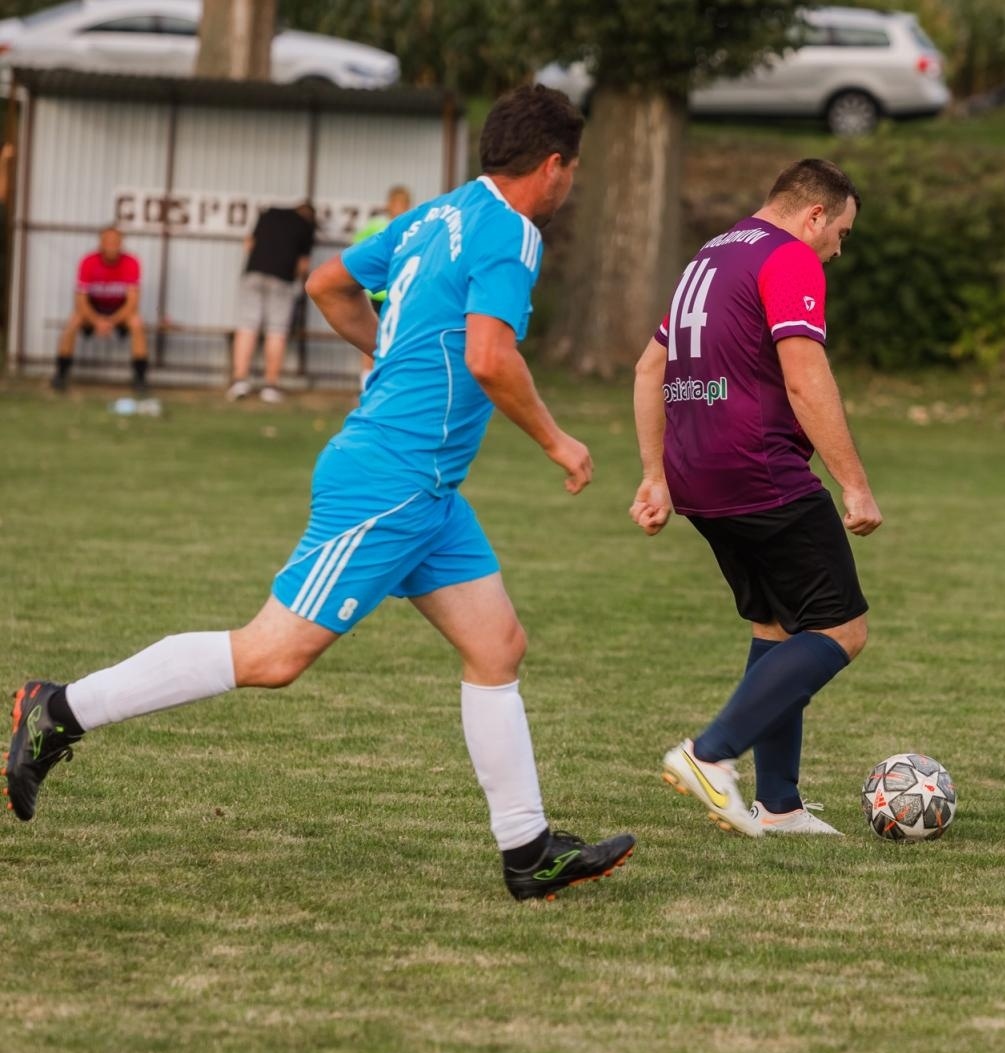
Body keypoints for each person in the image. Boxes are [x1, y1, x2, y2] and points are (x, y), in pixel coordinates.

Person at [7, 86, 634, 902]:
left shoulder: (437, 214)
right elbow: (489, 355)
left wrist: (393, 352)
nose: (569, 184)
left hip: (428, 492)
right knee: (271, 655)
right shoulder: (513, 232)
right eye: (572, 170)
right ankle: (59, 709)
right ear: (552, 166)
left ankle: (528, 851)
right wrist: (558, 440)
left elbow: (328, 283)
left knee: (497, 646)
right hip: (391, 479)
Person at [631, 159, 882, 838]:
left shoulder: (710, 255)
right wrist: (854, 483)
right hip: (759, 470)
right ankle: (709, 753)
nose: (838, 249)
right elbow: (805, 377)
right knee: (841, 629)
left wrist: (655, 474)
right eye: (841, 233)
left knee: (777, 626)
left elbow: (650, 367)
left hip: (698, 475)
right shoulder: (789, 256)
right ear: (815, 215)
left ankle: (781, 805)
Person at [225, 202, 317, 403]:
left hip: (254, 273)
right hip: (282, 278)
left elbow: (249, 244)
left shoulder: (269, 215)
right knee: (277, 330)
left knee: (247, 326)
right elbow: (303, 265)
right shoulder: (306, 225)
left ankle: (239, 381)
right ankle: (270, 386)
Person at [52, 226, 149, 392]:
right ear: (100, 243)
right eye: (108, 242)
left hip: (119, 311)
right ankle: (61, 374)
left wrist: (111, 321)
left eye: (115, 242)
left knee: (137, 323)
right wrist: (96, 321)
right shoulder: (88, 261)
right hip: (93, 310)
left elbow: (132, 302)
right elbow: (81, 300)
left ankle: (140, 378)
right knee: (73, 322)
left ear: (121, 244)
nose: (112, 246)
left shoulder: (131, 262)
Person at [351, 185, 413, 388]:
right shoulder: (376, 225)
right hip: (377, 293)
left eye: (404, 204)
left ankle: (392, 381)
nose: (400, 208)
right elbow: (357, 250)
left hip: (400, 293)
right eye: (396, 204)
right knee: (373, 336)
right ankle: (366, 381)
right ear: (389, 205)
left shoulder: (414, 225)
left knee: (398, 337)